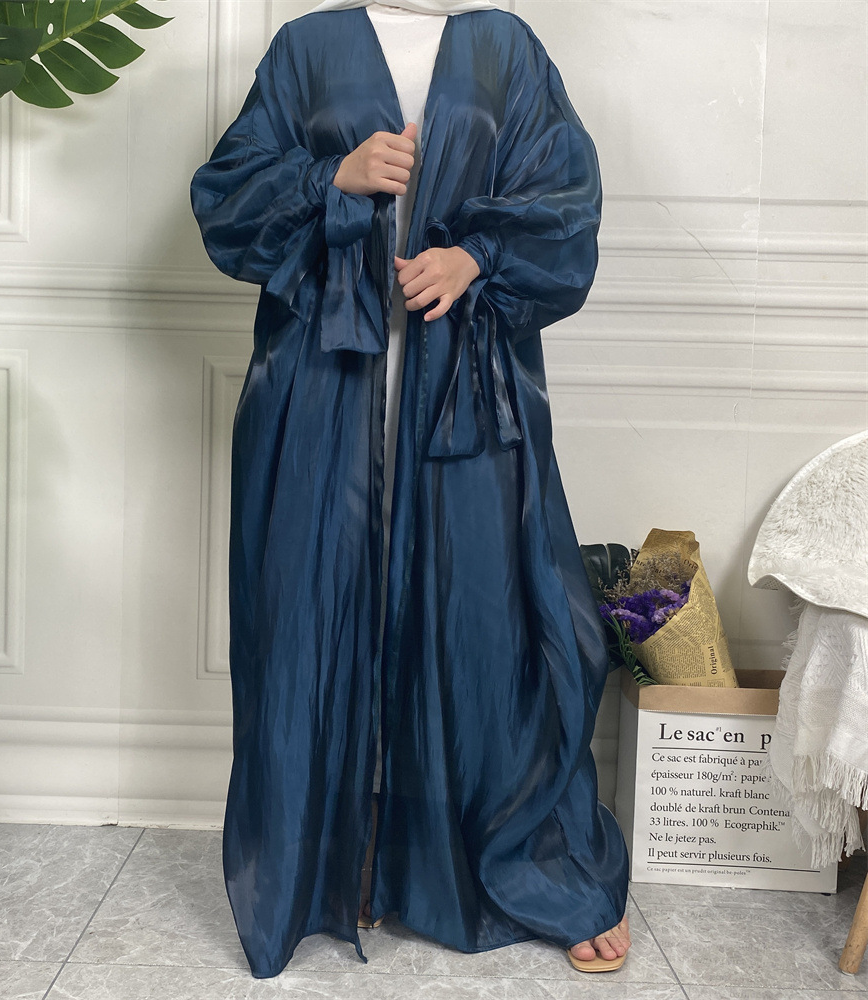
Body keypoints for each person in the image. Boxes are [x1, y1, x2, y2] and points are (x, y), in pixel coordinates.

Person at [191, 0, 631, 980]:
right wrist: (331, 178)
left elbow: (567, 198)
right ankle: (343, 853)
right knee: (313, 623)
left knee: (489, 627)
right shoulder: (307, 46)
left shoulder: (503, 45)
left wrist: (477, 255)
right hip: (319, 390)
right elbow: (226, 197)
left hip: (468, 388)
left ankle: (532, 864)